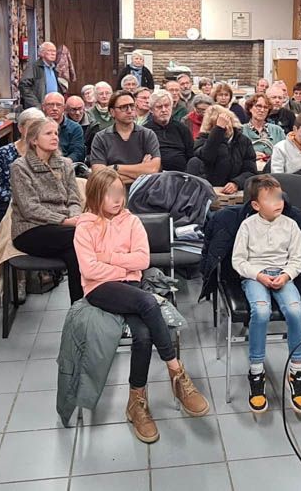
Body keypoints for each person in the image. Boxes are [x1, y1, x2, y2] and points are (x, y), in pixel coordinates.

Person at [75, 169, 209, 443]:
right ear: (96, 195)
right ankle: (176, 371)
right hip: (99, 289)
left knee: (144, 335)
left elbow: (142, 260)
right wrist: (121, 266)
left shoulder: (132, 221)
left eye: (120, 193)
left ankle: (135, 403)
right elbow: (88, 270)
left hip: (130, 285)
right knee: (148, 301)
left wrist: (107, 258)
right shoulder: (84, 226)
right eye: (110, 194)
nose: (117, 199)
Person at [232, 175, 301, 414]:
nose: (278, 202)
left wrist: (286, 275)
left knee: (295, 311)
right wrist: (258, 275)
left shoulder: (291, 225)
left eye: (279, 197)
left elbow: (298, 259)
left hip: (283, 275)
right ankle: (256, 372)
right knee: (261, 311)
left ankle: (296, 370)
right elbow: (238, 260)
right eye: (271, 199)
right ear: (256, 205)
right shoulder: (247, 226)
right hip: (255, 276)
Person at [9, 116, 84, 303]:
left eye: (56, 133)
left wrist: (75, 217)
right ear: (34, 140)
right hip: (30, 229)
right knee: (83, 237)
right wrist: (65, 221)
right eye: (48, 133)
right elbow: (29, 208)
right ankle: (84, 305)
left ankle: (79, 307)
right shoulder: (20, 167)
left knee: (75, 253)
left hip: (64, 229)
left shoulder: (65, 164)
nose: (55, 137)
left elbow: (74, 198)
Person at [0, 107, 46, 221]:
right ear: (21, 128)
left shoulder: (47, 152)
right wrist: (19, 200)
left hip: (40, 206)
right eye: (31, 127)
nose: (35, 132)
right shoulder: (4, 153)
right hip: (9, 205)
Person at [88, 90, 161, 186]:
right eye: (123, 107)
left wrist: (115, 168)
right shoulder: (101, 138)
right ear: (112, 112)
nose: (129, 110)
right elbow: (99, 176)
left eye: (132, 106)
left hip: (144, 191)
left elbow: (153, 169)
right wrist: (141, 172)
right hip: (111, 191)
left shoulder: (147, 135)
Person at [188, 105, 258, 195]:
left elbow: (251, 170)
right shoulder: (202, 140)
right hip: (211, 191)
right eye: (216, 125)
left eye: (226, 122)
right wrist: (218, 130)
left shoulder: (243, 141)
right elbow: (206, 156)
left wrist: (236, 183)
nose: (225, 127)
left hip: (237, 192)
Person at [142, 90, 195, 173]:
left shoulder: (182, 128)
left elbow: (191, 154)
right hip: (156, 174)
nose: (164, 110)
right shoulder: (145, 131)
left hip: (182, 173)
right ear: (151, 110)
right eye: (159, 107)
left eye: (167, 106)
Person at [20, 41, 67, 108]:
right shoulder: (34, 67)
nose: (53, 53)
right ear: (41, 53)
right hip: (39, 108)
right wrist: (36, 105)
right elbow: (24, 86)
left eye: (54, 51)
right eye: (49, 51)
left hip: (53, 106)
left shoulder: (55, 68)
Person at [42, 92, 86, 164]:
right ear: (43, 107)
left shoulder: (75, 128)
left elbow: (77, 153)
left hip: (66, 165)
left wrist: (62, 164)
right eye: (50, 105)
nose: (55, 108)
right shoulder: (37, 127)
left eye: (58, 105)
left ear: (64, 108)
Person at [242, 93, 287, 163]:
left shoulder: (277, 130)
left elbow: (286, 154)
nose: (262, 110)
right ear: (250, 108)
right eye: (258, 106)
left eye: (266, 107)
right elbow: (236, 157)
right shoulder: (241, 131)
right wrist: (251, 156)